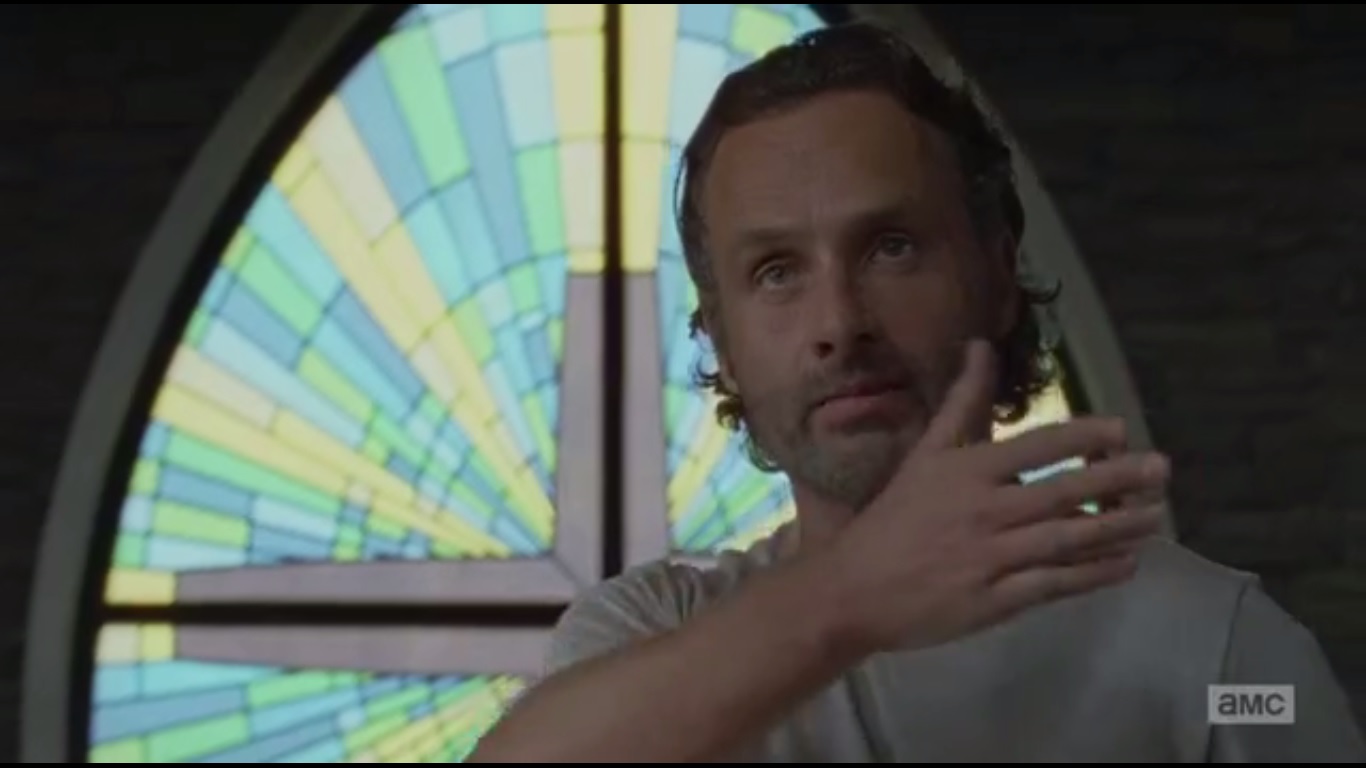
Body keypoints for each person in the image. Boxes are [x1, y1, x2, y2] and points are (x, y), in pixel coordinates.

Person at [469, 21, 1365, 762]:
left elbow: (1270, 706)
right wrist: (854, 594)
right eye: (777, 271)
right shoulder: (651, 631)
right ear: (722, 344)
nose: (839, 322)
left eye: (891, 248)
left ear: (998, 275)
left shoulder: (1215, 655)